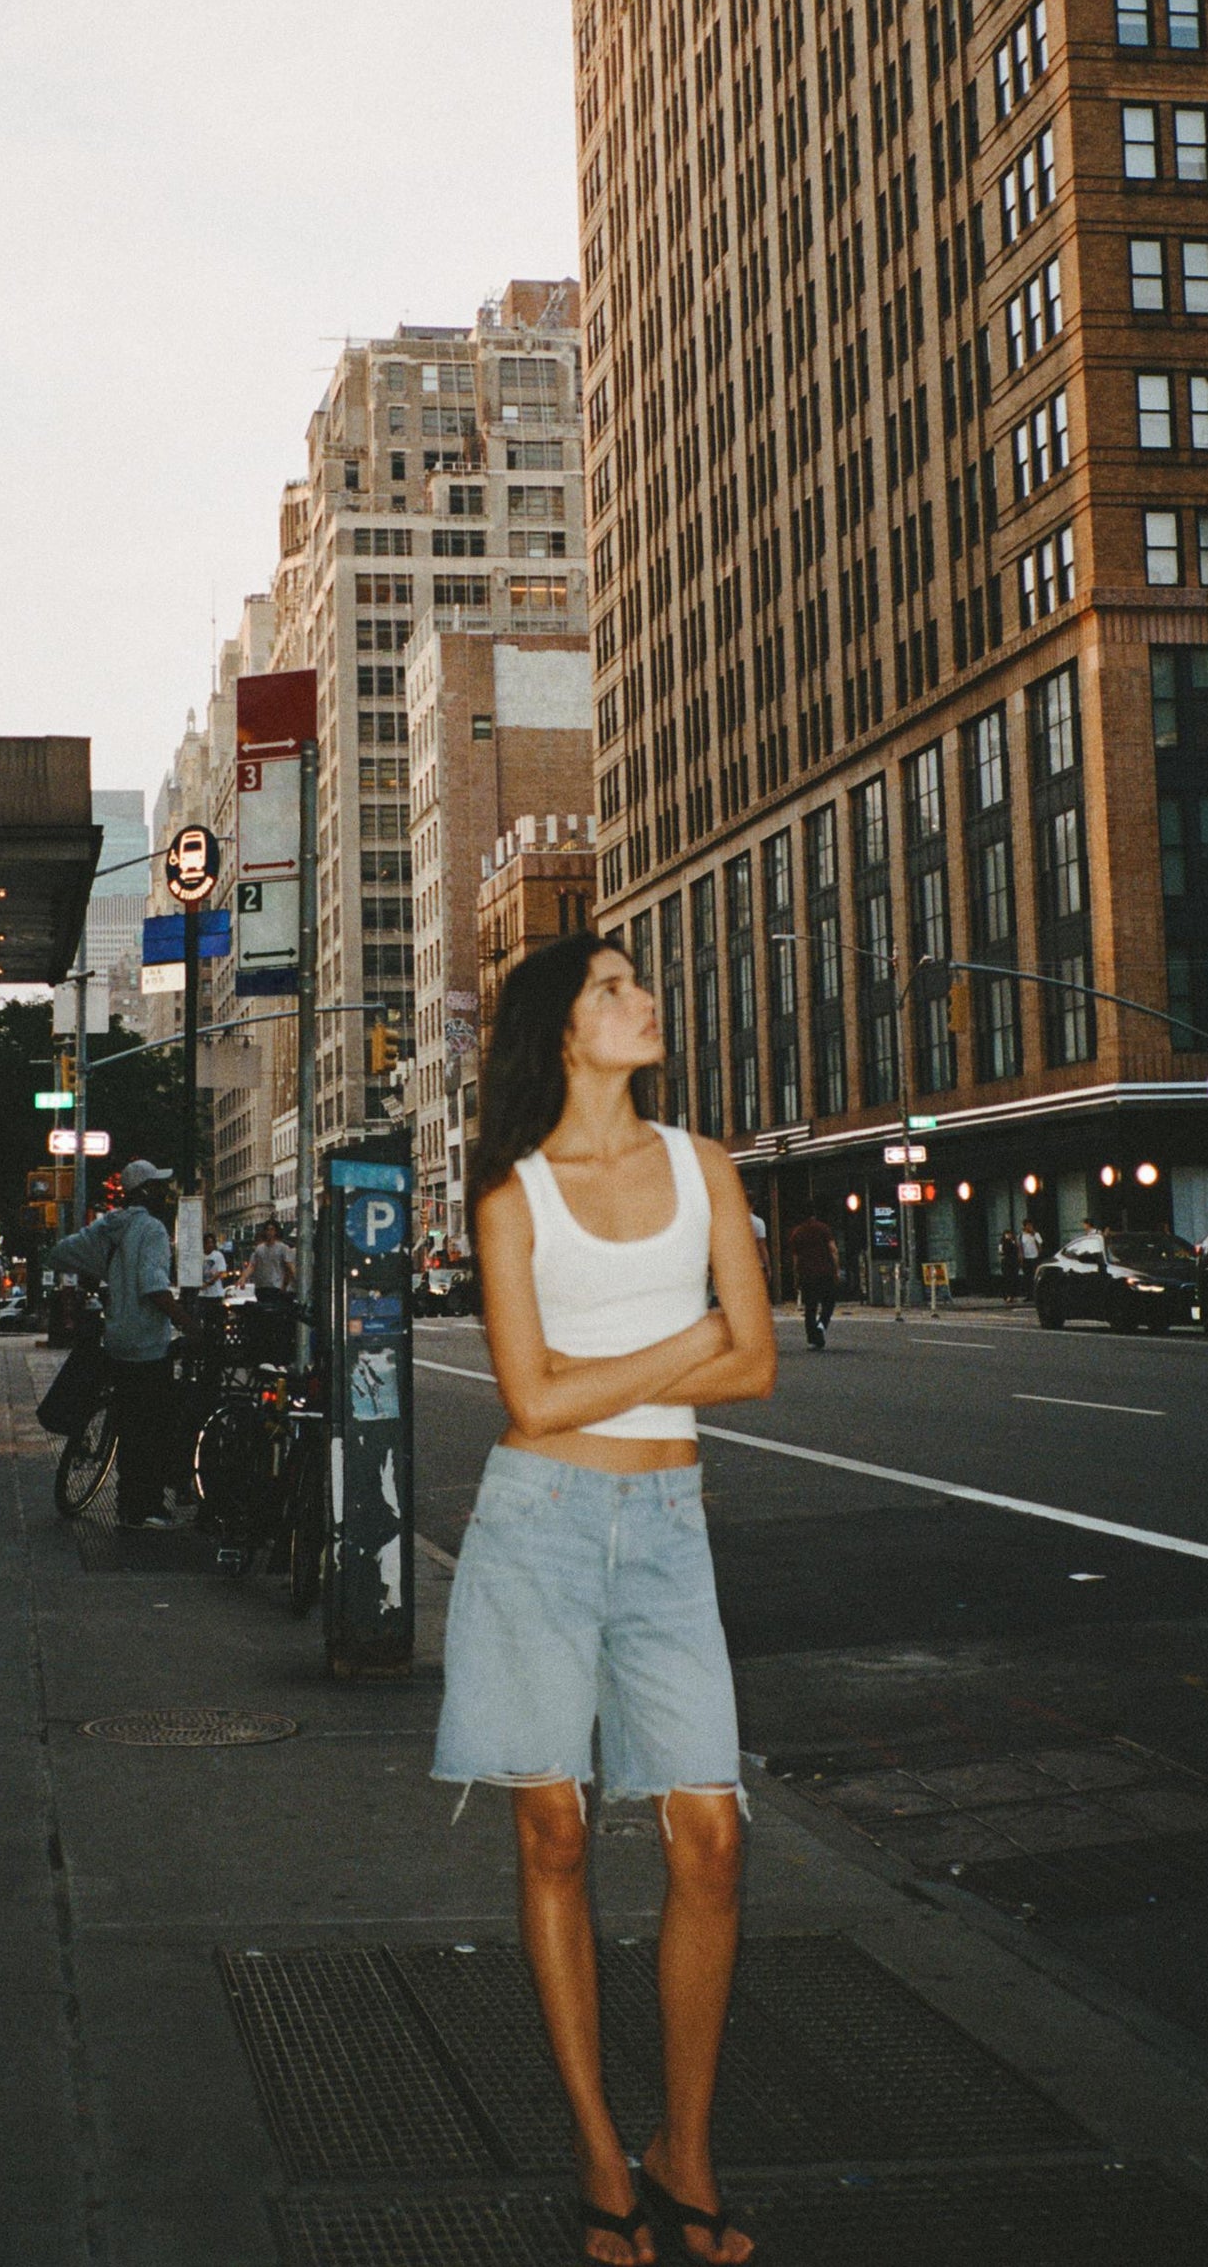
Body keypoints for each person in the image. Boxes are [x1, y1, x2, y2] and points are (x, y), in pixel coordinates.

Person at [434, 936, 775, 2267]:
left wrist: (638, 1360)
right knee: (555, 1843)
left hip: (667, 1529)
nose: (646, 1000)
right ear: (561, 1032)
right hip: (539, 1533)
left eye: (643, 981)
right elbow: (530, 1402)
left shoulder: (707, 1169)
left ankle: (683, 2144)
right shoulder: (514, 1196)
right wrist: (694, 1333)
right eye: (615, 988)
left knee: (712, 1843)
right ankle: (597, 2145)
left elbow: (754, 1368)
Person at [54, 1161, 180, 1530]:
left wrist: (102, 1276)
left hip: (116, 1340)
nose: (165, 1193)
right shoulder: (152, 1230)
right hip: (147, 1343)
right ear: (144, 1192)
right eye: (158, 1187)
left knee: (128, 1424)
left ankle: (128, 1504)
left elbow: (61, 1252)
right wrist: (190, 1322)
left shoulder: (109, 1226)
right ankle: (146, 1507)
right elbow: (154, 1286)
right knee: (150, 1429)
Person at [787, 1206, 841, 1351]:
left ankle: (812, 1337)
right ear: (814, 1214)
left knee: (810, 1306)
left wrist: (796, 1275)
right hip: (825, 1272)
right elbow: (833, 1250)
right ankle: (822, 1324)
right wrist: (836, 1269)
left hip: (806, 1273)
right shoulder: (823, 1228)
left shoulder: (797, 1232)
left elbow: (795, 1258)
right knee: (828, 1303)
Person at [243, 1217, 296, 1309]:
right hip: (261, 1287)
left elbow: (289, 1267)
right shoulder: (259, 1249)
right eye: (267, 1230)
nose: (269, 1232)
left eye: (272, 1229)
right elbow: (252, 1266)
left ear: (276, 1232)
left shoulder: (283, 1248)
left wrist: (286, 1284)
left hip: (276, 1288)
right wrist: (243, 1278)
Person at [1018, 1217, 1043, 1299]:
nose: (1030, 1227)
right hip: (1026, 1258)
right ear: (1024, 1226)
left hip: (1035, 1257)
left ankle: (1036, 1294)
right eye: (1028, 1225)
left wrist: (1034, 1234)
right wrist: (1021, 1258)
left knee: (1035, 1277)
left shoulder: (1036, 1234)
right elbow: (1020, 1247)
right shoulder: (1021, 1236)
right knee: (1027, 1277)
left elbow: (1040, 1243)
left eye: (1031, 1225)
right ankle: (1029, 1295)